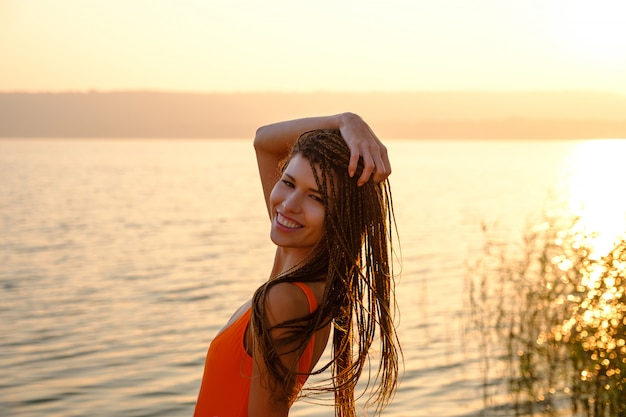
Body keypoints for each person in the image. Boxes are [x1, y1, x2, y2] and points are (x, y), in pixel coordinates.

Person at [194, 112, 401, 417]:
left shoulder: (285, 300)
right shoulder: (295, 263)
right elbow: (263, 141)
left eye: (316, 198)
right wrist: (346, 121)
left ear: (339, 217)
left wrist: (346, 122)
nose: (289, 204)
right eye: (288, 182)